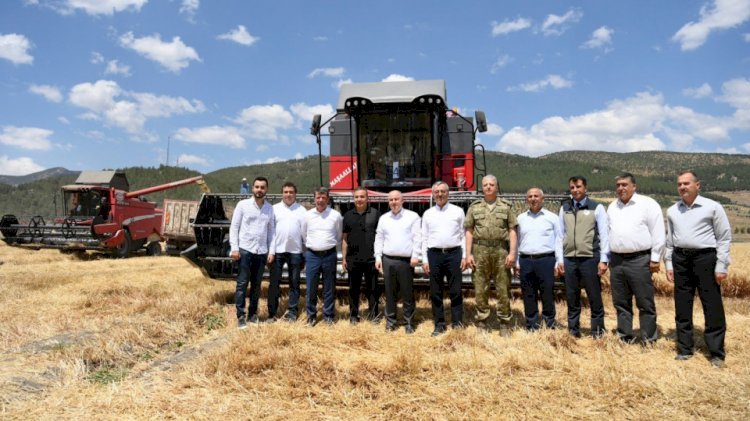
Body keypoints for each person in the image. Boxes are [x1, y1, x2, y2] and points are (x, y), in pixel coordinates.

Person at [665, 171, 731, 367]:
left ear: (697, 185)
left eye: (686, 183)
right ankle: (685, 349)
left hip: (705, 258)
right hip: (680, 258)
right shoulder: (672, 210)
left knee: (712, 305)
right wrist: (669, 264)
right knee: (682, 305)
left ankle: (716, 353)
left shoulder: (713, 207)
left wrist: (721, 265)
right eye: (679, 184)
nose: (683, 187)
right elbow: (669, 240)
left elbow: (724, 238)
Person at [607, 172, 665, 344]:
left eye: (624, 185)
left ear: (634, 186)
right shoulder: (612, 207)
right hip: (617, 261)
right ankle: (624, 336)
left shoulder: (647, 204)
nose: (620, 188)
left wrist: (655, 258)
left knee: (645, 302)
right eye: (618, 185)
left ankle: (649, 338)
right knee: (621, 302)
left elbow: (658, 232)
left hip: (639, 260)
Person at [465, 174, 518, 335]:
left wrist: (512, 253)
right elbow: (469, 231)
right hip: (480, 251)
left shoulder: (506, 207)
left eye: (491, 185)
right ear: (482, 187)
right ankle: (482, 322)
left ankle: (504, 323)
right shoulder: (474, 207)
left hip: (501, 251)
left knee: (503, 288)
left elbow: (512, 230)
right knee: (480, 288)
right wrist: (468, 254)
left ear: (497, 187)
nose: (488, 187)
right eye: (485, 184)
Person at [559, 176, 609, 338]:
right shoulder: (564, 207)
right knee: (572, 296)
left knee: (594, 295)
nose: (575, 190)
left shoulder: (597, 207)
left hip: (590, 258)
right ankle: (573, 331)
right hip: (570, 259)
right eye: (572, 187)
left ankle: (597, 331)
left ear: (585, 188)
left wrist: (604, 259)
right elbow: (560, 235)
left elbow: (604, 235)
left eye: (578, 187)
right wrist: (560, 259)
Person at [423, 181, 467, 336]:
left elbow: (463, 235)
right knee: (435, 292)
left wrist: (465, 256)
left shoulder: (458, 211)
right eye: (437, 192)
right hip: (434, 255)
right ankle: (439, 324)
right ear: (433, 194)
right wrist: (425, 259)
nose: (440, 194)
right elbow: (424, 237)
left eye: (443, 191)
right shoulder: (428, 214)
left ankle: (457, 324)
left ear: (448, 193)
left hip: (454, 254)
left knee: (456, 290)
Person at [229, 176, 275, 329]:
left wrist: (271, 251)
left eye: (262, 187)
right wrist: (234, 248)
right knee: (242, 284)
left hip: (261, 252)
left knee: (256, 285)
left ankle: (253, 314)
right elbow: (234, 227)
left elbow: (271, 232)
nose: (259, 190)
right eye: (257, 187)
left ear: (266, 189)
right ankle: (240, 316)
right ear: (252, 188)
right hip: (245, 250)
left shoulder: (269, 208)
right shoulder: (242, 205)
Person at [515, 188, 563, 331]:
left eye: (536, 196)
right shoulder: (521, 218)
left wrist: (559, 261)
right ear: (527, 199)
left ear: (543, 199)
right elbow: (517, 242)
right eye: (530, 196)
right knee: (528, 293)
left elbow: (559, 240)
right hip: (526, 260)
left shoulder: (552, 218)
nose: (533, 199)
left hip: (546, 260)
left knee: (547, 292)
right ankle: (532, 324)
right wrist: (517, 262)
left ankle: (549, 323)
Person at [374, 190, 421, 333]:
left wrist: (415, 255)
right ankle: (391, 322)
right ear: (388, 202)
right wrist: (378, 256)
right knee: (389, 293)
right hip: (388, 260)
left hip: (406, 261)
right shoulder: (383, 218)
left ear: (402, 200)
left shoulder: (412, 217)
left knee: (407, 293)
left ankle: (409, 323)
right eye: (391, 200)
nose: (394, 202)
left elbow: (417, 238)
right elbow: (379, 238)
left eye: (396, 199)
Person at [302, 187, 343, 326]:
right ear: (314, 199)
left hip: (329, 255)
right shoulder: (307, 216)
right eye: (318, 197)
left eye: (323, 197)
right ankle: (311, 317)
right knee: (311, 287)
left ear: (328, 199)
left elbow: (338, 236)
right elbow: (304, 235)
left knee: (329, 287)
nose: (320, 200)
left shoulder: (335, 215)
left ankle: (328, 317)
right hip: (312, 255)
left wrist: (326, 245)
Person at [267, 181, 307, 322]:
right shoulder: (274, 209)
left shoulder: (302, 211)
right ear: (282, 193)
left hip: (295, 252)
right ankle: (272, 314)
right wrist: (270, 252)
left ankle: (292, 313)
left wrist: (304, 254)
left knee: (294, 283)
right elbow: (270, 232)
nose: (288, 194)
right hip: (277, 251)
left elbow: (305, 235)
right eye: (286, 192)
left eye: (291, 192)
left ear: (295, 194)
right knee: (274, 283)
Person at [342, 187, 382, 324]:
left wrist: (379, 257)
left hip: (371, 259)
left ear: (367, 198)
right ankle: (353, 315)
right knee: (353, 289)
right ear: (354, 199)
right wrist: (344, 258)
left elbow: (380, 237)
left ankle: (374, 316)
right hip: (353, 259)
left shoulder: (375, 214)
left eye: (362, 197)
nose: (359, 199)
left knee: (373, 289)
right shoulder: (347, 216)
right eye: (357, 197)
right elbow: (344, 239)